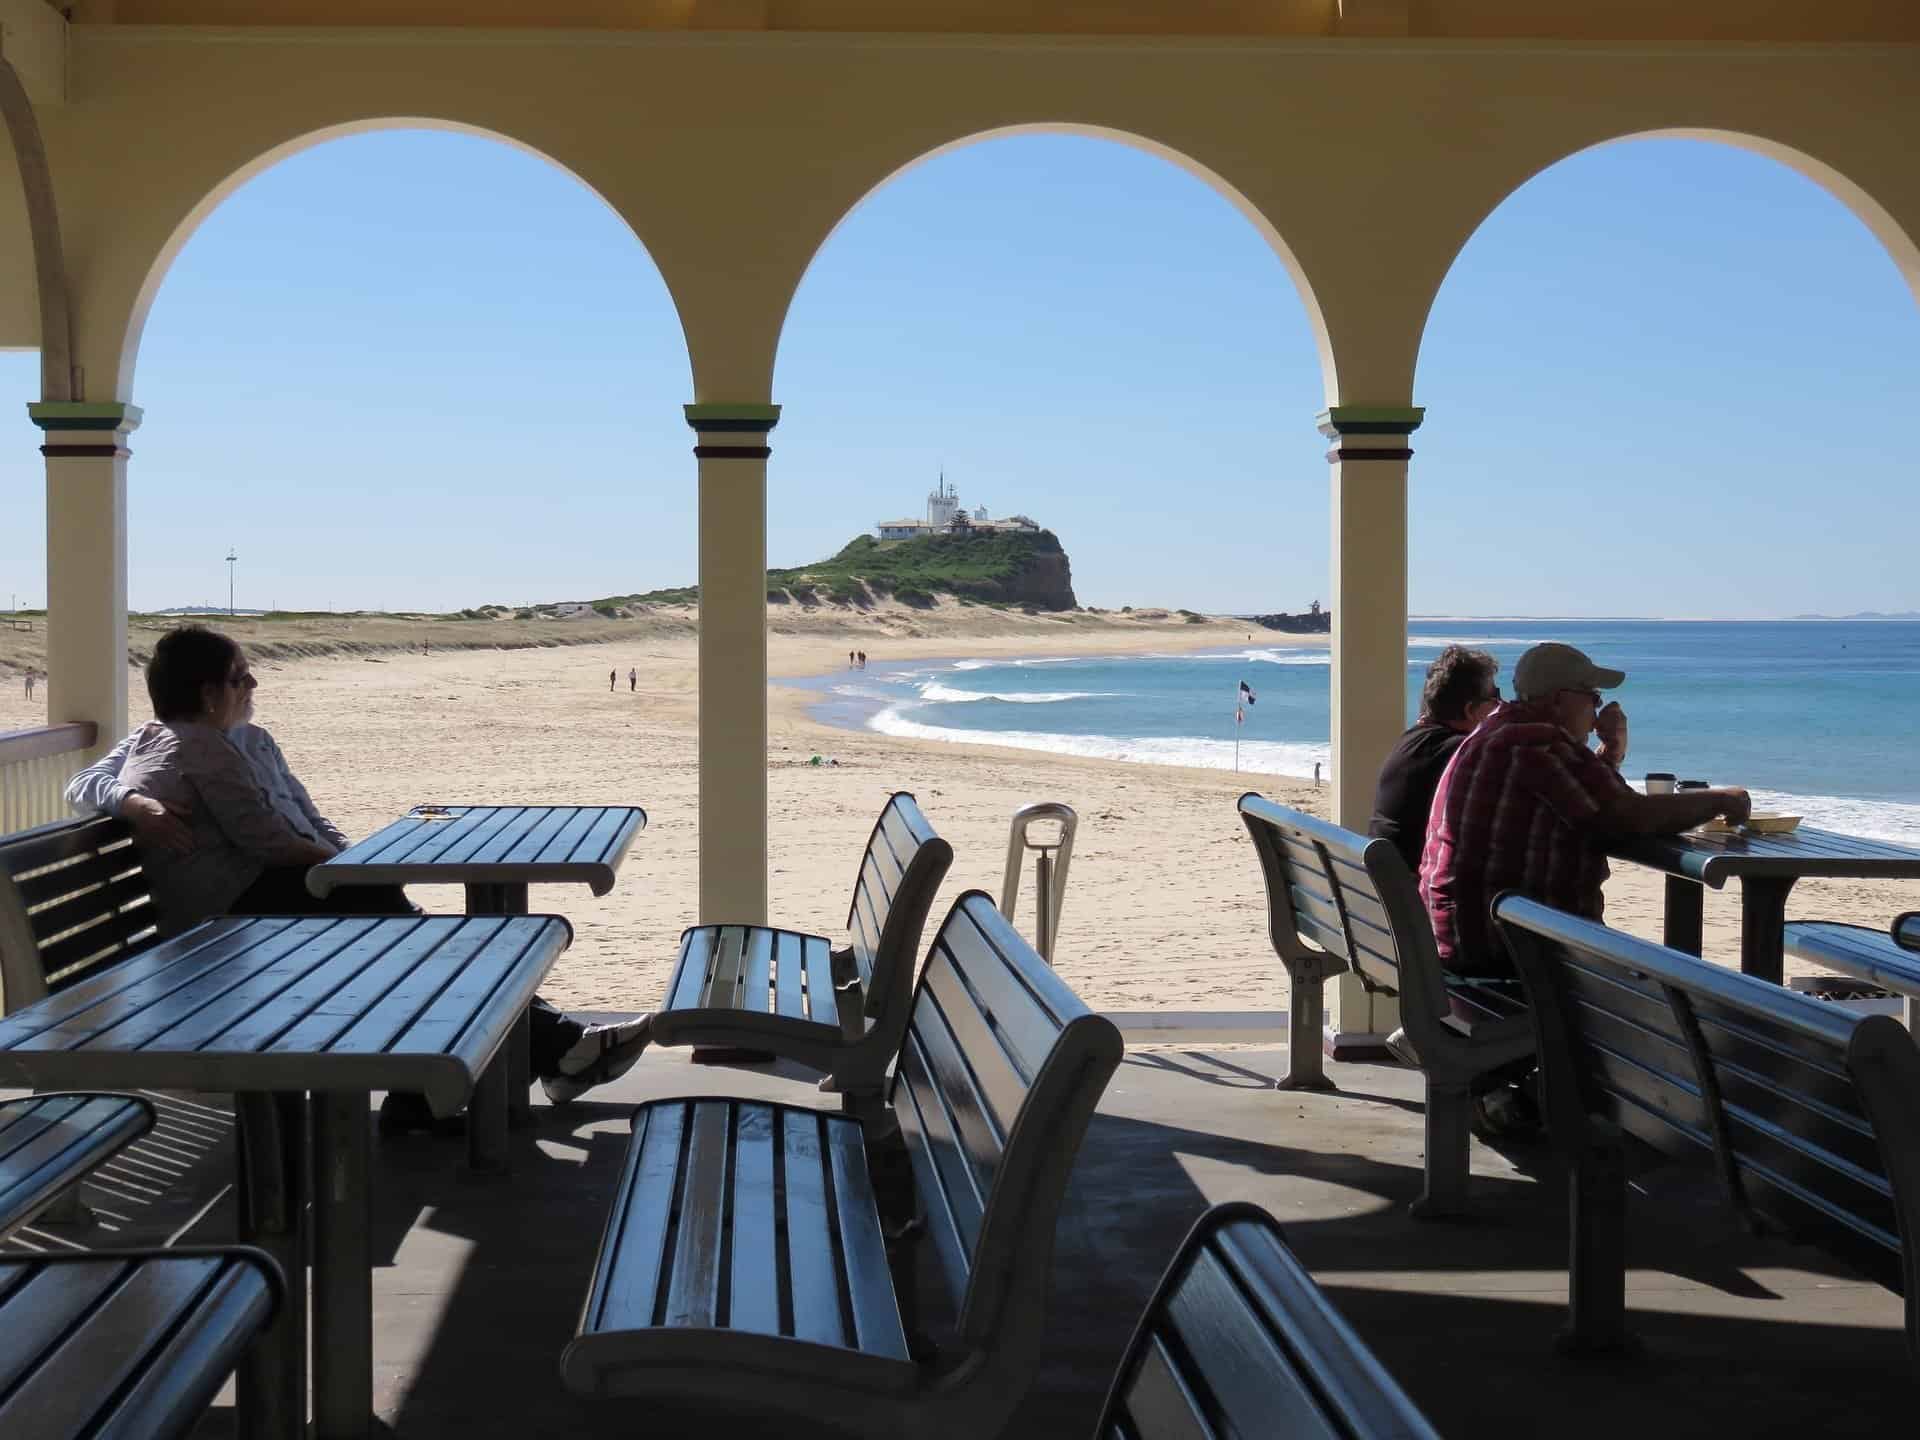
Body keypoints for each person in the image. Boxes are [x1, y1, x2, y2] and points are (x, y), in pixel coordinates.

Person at [67, 626, 650, 1115]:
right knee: (415, 941)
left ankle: (517, 1061)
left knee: (412, 935)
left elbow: (305, 817)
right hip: (228, 926)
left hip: (253, 906)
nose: (253, 684)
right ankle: (538, 1055)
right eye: (241, 675)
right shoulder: (195, 745)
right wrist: (134, 803)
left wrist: (350, 860)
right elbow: (266, 840)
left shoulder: (241, 739)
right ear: (208, 691)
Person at [1413, 643, 1748, 1130]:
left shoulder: (1505, 733)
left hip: (1469, 936)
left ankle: (1528, 1094)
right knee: (1678, 991)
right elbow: (1623, 817)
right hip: (1503, 949)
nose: (1597, 710)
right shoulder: (1535, 741)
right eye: (1591, 697)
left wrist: (1610, 752)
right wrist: (1722, 799)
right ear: (1556, 699)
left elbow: (1588, 803)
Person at [1368, 646, 1501, 875]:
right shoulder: (1460, 754)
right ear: (1470, 710)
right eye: (1495, 696)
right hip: (1412, 899)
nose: (1502, 704)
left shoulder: (1411, 741)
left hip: (1383, 890)